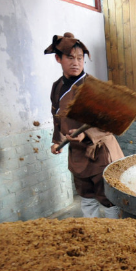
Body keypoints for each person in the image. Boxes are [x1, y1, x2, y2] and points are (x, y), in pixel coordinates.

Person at [46, 32, 124, 219]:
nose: (76, 62)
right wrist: (57, 140)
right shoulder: (57, 87)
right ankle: (92, 231)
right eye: (70, 57)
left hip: (101, 151)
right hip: (77, 153)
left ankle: (115, 232)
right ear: (58, 59)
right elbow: (57, 116)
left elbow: (109, 122)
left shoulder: (93, 87)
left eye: (80, 58)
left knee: (108, 198)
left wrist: (86, 134)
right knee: (87, 197)